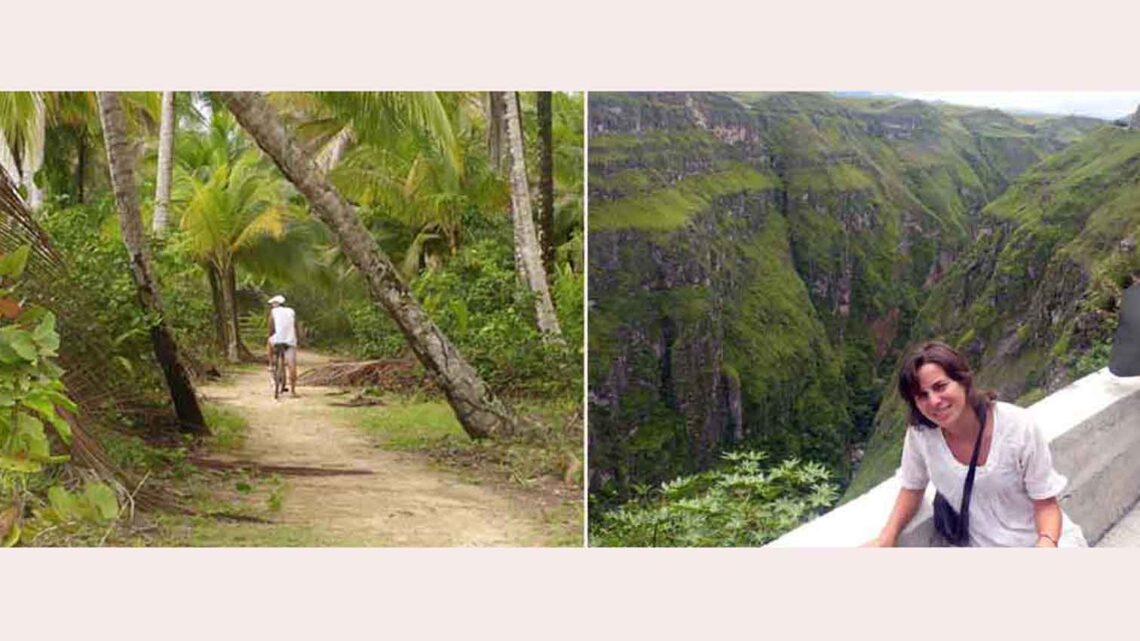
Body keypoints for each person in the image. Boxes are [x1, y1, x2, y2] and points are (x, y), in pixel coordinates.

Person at [867, 340, 1086, 547]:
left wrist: (1046, 544)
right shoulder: (921, 435)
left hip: (1042, 541)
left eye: (940, 386)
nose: (934, 401)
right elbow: (912, 487)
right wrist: (886, 537)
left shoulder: (1018, 427)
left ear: (962, 381)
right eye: (922, 395)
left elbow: (1046, 504)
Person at [266, 294, 299, 398]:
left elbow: (270, 327)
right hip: (290, 340)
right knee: (292, 365)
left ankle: (271, 364)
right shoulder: (291, 311)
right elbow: (295, 326)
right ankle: (293, 391)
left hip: (278, 339)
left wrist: (270, 335)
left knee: (269, 342)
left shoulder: (273, 312)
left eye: (273, 304)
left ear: (276, 304)